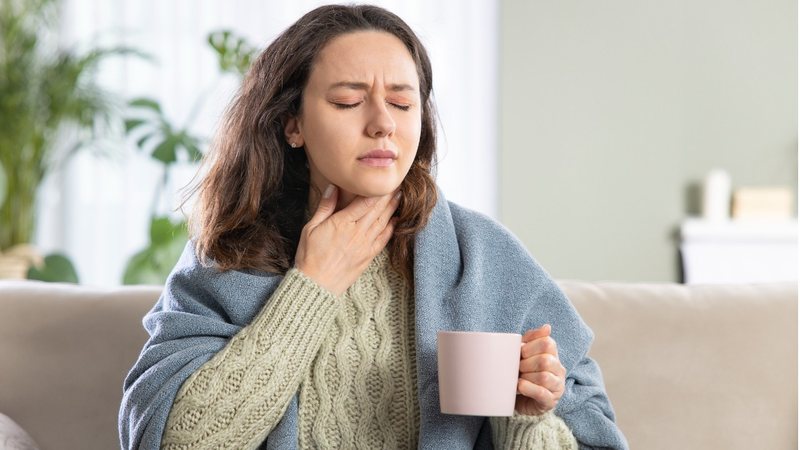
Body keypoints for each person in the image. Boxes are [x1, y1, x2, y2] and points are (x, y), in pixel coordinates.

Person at [119, 4, 628, 450]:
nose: (383, 121)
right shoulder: (229, 254)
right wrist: (312, 286)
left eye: (403, 103)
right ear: (291, 123)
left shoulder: (487, 257)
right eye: (347, 100)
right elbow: (170, 440)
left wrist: (525, 420)